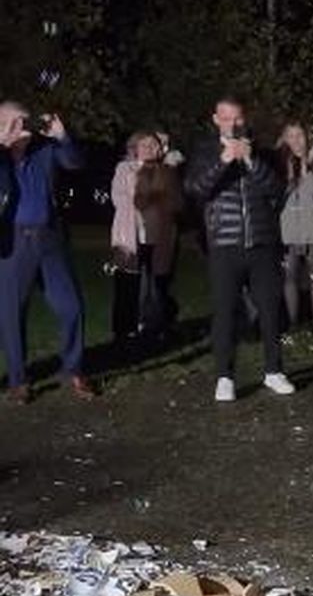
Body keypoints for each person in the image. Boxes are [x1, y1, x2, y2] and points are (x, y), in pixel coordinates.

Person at [184, 95, 294, 403]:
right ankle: (224, 376)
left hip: (262, 243)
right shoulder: (205, 151)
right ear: (216, 119)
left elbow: (276, 190)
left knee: (271, 310)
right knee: (224, 313)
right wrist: (223, 161)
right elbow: (195, 189)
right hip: (224, 244)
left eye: (238, 118)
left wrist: (249, 160)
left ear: (244, 120)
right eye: (227, 118)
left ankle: (274, 370)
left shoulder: (262, 153)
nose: (233, 123)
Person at [0, 102, 95, 403]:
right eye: (11, 121)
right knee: (12, 314)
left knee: (72, 307)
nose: (20, 126)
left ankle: (73, 368)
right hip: (14, 242)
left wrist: (62, 136)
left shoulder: (44, 151)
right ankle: (18, 380)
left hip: (50, 239)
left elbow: (75, 163)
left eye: (22, 120)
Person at [110, 130, 183, 345]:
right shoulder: (124, 169)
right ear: (135, 148)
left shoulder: (167, 171)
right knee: (127, 284)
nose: (150, 149)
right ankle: (124, 332)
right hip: (130, 236)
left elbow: (176, 202)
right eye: (145, 145)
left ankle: (156, 326)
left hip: (158, 236)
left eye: (154, 145)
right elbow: (120, 198)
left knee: (158, 285)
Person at [276, 122, 313, 334]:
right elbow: (275, 194)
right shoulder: (279, 161)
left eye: (299, 136)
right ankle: (293, 322)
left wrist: (308, 171)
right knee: (289, 276)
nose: (295, 141)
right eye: (290, 136)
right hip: (288, 230)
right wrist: (290, 179)